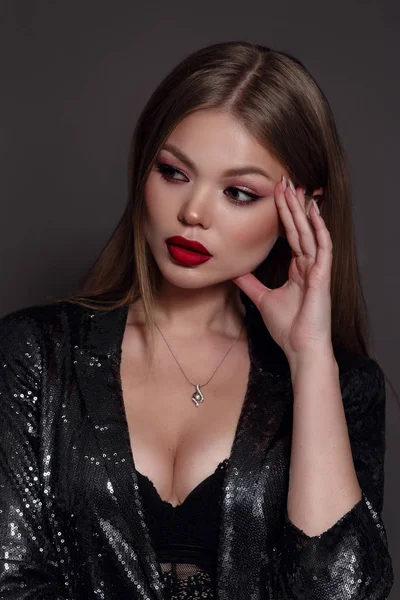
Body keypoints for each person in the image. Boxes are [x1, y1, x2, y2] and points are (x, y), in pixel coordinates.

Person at [0, 41, 394, 599]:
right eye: (174, 172)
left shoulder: (343, 387)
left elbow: (339, 592)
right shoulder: (33, 355)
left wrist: (310, 360)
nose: (193, 213)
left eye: (238, 192)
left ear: (304, 209)